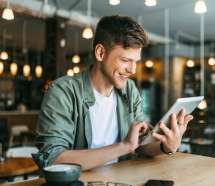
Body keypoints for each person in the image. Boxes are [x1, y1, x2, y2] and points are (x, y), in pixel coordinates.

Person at [33, 15, 193, 171]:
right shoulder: (63, 92)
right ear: (100, 53)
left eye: (135, 62)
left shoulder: (129, 90)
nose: (132, 70)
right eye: (125, 60)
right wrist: (124, 146)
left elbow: (140, 144)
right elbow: (53, 159)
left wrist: (165, 146)